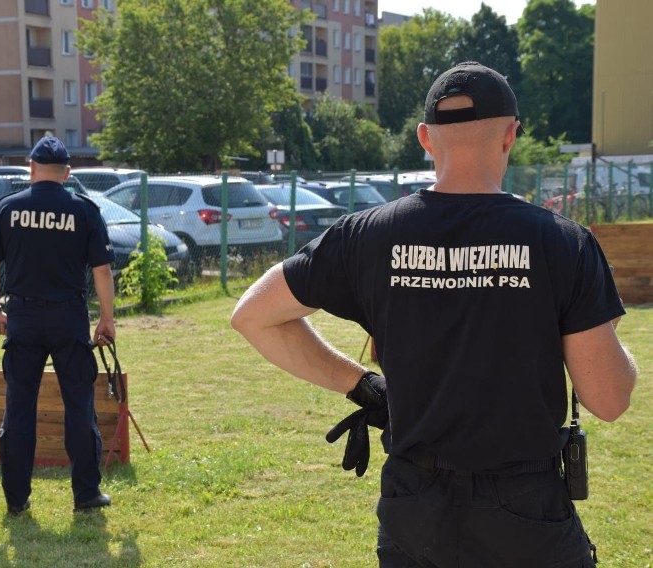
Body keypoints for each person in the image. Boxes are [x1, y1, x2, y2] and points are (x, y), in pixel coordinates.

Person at [231, 62, 637, 567]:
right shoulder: (563, 243)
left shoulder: (367, 235)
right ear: (510, 135)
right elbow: (610, 398)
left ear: (425, 138)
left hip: (413, 507)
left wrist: (360, 385)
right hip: (525, 514)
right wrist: (609, 333)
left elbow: (253, 315)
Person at [0, 135, 116, 514]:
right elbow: (102, 271)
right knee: (79, 407)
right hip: (69, 318)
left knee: (19, 410)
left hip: (22, 318)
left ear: (31, 169)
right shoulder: (84, 210)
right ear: (68, 173)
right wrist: (107, 318)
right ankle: (86, 493)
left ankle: (16, 498)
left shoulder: (8, 208)